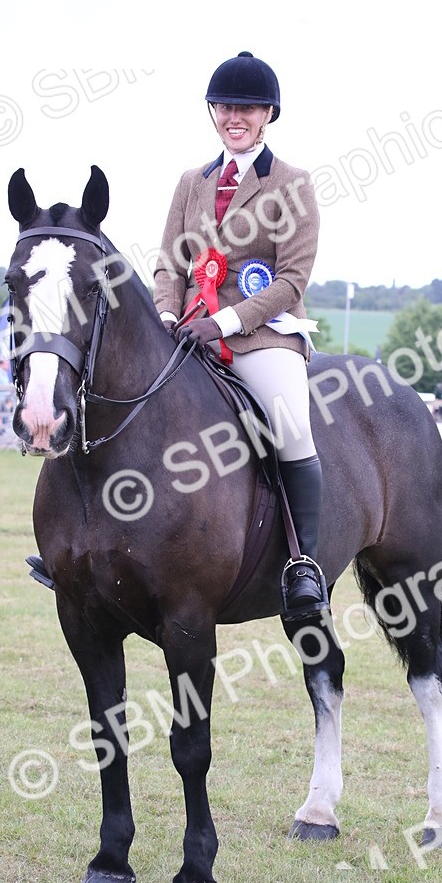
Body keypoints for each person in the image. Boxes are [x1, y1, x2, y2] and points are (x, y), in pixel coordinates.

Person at [152, 51, 328, 618]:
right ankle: (85, 549)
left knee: (291, 426)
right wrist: (164, 318)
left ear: (268, 114)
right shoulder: (190, 182)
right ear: (213, 112)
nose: (236, 116)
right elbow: (168, 264)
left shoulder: (293, 183)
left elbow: (292, 279)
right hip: (184, 333)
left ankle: (305, 567)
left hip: (260, 337)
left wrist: (224, 321)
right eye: (226, 106)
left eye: (248, 108)